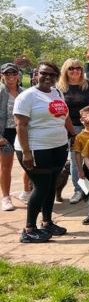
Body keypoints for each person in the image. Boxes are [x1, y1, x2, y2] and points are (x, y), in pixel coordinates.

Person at [14, 62, 78, 243]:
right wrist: (26, 153)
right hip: (35, 149)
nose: (48, 77)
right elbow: (21, 125)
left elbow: (64, 116)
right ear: (36, 74)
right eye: (44, 73)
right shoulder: (27, 96)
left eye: (52, 74)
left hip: (57, 147)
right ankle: (28, 229)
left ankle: (47, 222)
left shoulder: (57, 93)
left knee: (51, 186)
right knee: (41, 187)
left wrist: (73, 134)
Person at [57, 58, 89, 204]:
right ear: (65, 71)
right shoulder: (59, 88)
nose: (75, 71)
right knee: (75, 161)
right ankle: (78, 190)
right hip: (69, 128)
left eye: (78, 68)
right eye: (71, 68)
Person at [0, 63, 29, 211]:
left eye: (13, 73)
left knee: (27, 162)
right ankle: (6, 197)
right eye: (7, 74)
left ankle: (26, 192)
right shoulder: (0, 92)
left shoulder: (24, 92)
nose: (10, 77)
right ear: (2, 75)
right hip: (5, 132)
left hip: (22, 131)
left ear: (18, 75)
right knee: (6, 166)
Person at [71, 106, 89, 225]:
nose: (85, 120)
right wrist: (80, 170)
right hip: (88, 167)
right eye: (82, 118)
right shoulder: (80, 136)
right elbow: (77, 154)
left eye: (88, 117)